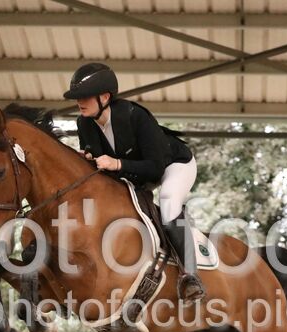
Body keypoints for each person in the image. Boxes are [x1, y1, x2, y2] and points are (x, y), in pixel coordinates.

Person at [63, 62, 205, 301]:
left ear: (105, 97)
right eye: (78, 97)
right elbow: (97, 160)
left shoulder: (134, 116)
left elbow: (155, 168)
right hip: (134, 174)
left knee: (168, 201)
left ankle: (190, 275)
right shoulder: (83, 123)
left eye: (85, 96)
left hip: (172, 165)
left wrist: (118, 164)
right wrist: (86, 159)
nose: (79, 102)